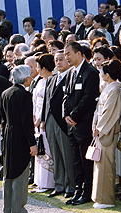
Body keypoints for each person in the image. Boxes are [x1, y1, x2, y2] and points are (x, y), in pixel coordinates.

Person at [63, 41, 100, 205]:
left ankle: (87, 192)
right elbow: (66, 96)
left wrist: (74, 116)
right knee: (76, 160)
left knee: (86, 161)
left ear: (78, 53)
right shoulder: (70, 72)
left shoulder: (90, 72)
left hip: (83, 124)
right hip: (72, 125)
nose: (66, 57)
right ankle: (77, 190)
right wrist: (66, 115)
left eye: (68, 54)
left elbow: (88, 98)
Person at [0, 65, 37, 213]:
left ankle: (8, 208)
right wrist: (32, 143)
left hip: (8, 133)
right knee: (21, 172)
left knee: (8, 171)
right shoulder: (25, 95)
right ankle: (18, 209)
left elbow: (1, 117)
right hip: (21, 136)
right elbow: (26, 122)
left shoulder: (5, 93)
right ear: (26, 78)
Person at [42, 50, 74, 198]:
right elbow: (45, 101)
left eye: (61, 59)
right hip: (49, 120)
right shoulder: (51, 79)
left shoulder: (71, 77)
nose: (58, 62)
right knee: (55, 154)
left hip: (62, 121)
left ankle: (70, 186)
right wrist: (43, 119)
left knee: (66, 154)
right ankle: (59, 184)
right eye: (56, 60)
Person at [92, 60, 121, 209]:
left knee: (107, 164)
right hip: (101, 129)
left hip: (108, 131)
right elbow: (99, 109)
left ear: (107, 75)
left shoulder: (116, 89)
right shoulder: (108, 88)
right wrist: (95, 124)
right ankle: (99, 197)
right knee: (100, 163)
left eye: (102, 72)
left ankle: (107, 199)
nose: (100, 74)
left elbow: (110, 112)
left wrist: (100, 127)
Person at [30, 54, 55, 193]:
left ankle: (48, 182)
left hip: (44, 119)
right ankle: (38, 181)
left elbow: (47, 103)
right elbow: (36, 101)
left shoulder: (51, 81)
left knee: (46, 150)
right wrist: (34, 115)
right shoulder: (40, 81)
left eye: (38, 67)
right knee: (39, 149)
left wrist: (41, 118)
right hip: (37, 119)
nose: (37, 69)